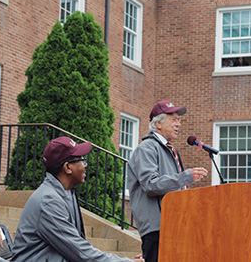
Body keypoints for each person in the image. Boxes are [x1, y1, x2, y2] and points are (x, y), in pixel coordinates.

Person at [12, 136, 144, 262]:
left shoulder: (65, 193)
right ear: (68, 168)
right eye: (81, 159)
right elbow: (79, 251)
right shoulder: (49, 201)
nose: (85, 165)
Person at [127, 100, 208, 262]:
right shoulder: (147, 148)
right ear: (158, 123)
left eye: (179, 120)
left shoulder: (171, 151)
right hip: (157, 228)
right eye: (174, 120)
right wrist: (186, 176)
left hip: (173, 224)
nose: (178, 124)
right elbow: (151, 184)